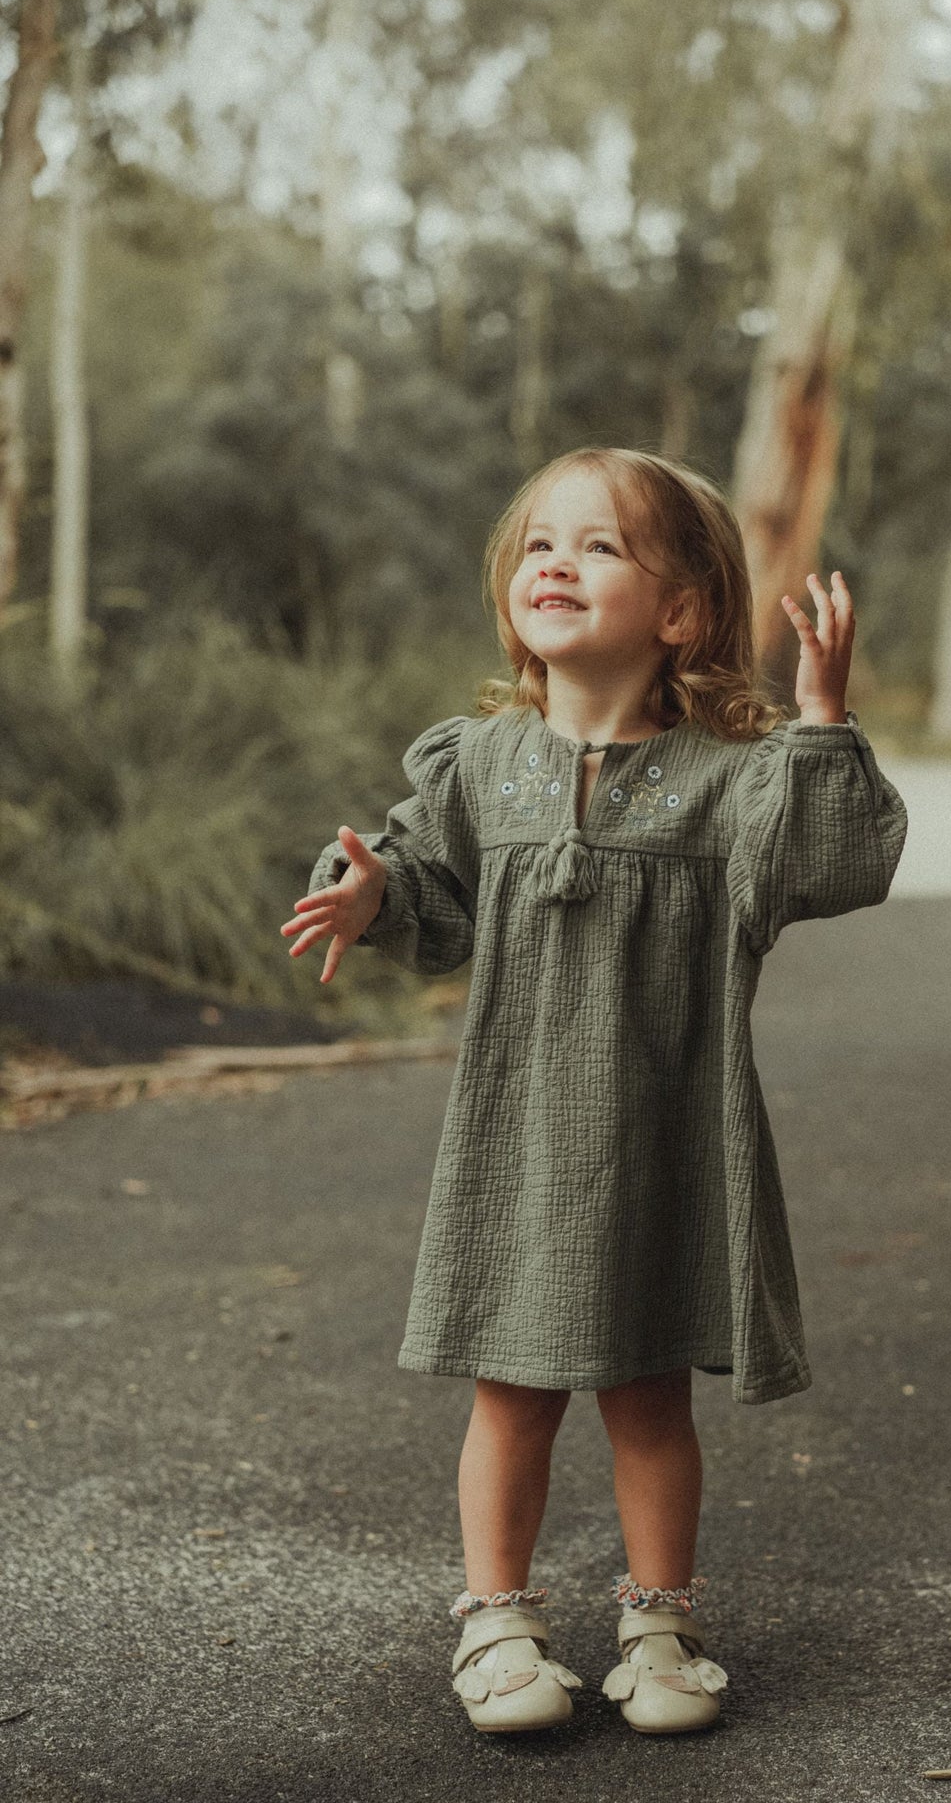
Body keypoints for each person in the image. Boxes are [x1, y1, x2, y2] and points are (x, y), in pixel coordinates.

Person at [281, 447, 908, 1738]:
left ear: (680, 611)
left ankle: (659, 1621)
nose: (555, 564)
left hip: (666, 1132)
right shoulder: (481, 763)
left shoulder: (732, 778)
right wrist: (373, 894)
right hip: (517, 1135)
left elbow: (835, 863)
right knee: (509, 1390)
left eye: (599, 546)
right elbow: (431, 896)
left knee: (648, 1391)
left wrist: (822, 716)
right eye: (538, 545)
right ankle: (496, 1622)